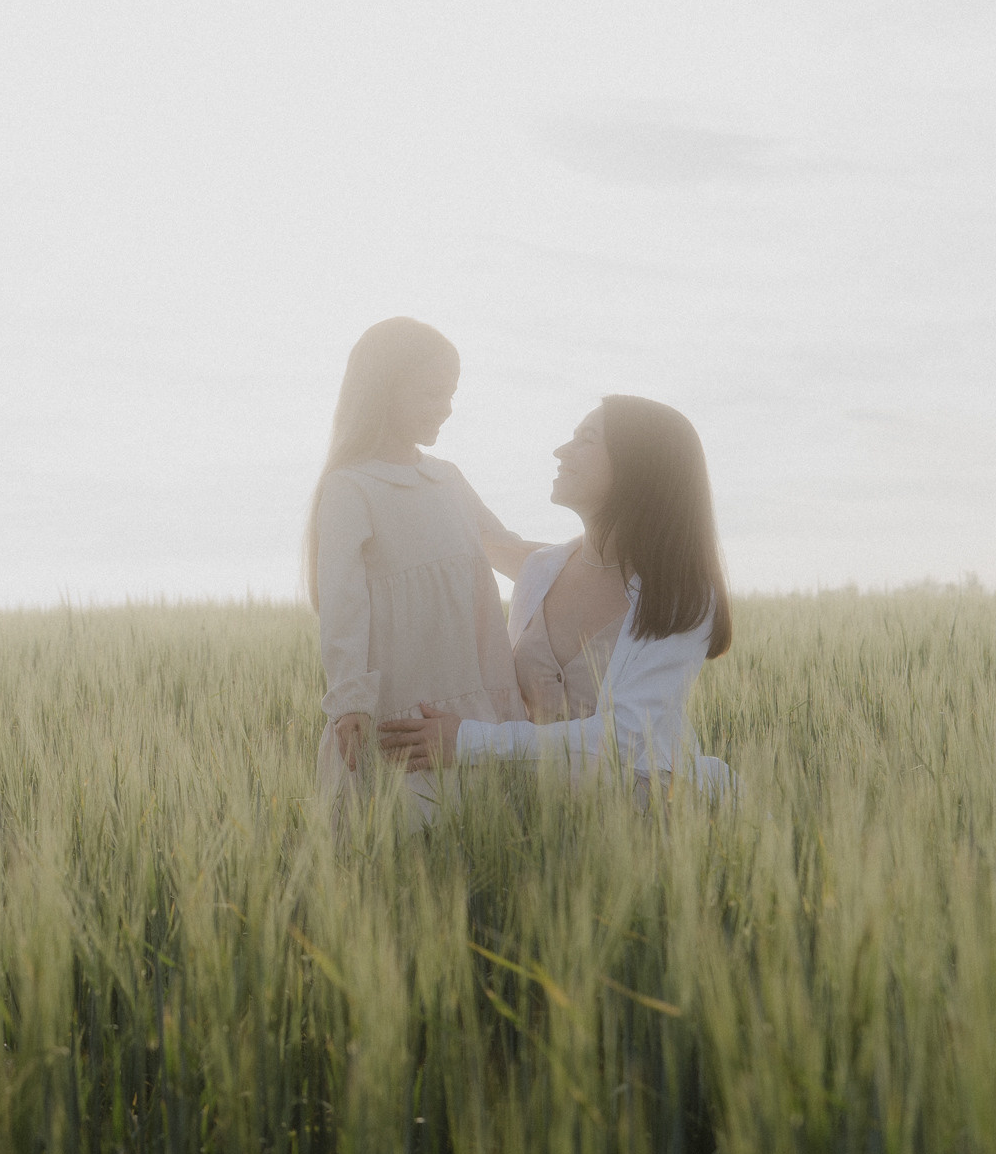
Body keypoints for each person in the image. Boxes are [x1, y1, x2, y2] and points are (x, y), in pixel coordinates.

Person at [377, 394, 734, 797]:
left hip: (654, 821)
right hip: (537, 819)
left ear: (639, 464)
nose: (561, 451)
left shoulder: (682, 597)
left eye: (586, 438)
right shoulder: (540, 570)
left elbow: (629, 735)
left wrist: (467, 741)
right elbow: (482, 534)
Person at [309, 318, 542, 824]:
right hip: (401, 716)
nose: (446, 408)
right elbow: (343, 603)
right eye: (431, 393)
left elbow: (514, 555)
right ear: (381, 392)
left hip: (471, 711)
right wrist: (350, 701)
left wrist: (616, 556)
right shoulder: (352, 489)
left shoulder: (449, 480)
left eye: (451, 394)